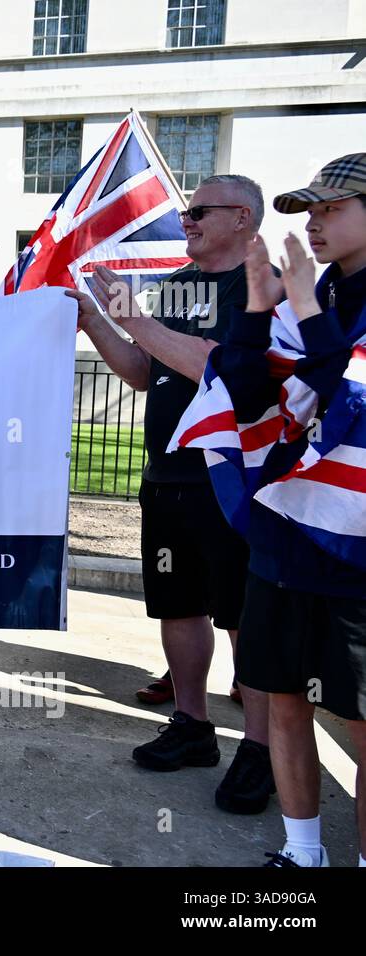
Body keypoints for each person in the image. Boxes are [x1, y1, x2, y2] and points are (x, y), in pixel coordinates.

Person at [67, 174, 273, 814]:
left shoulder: (261, 286)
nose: (185, 220)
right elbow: (142, 369)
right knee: (178, 607)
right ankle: (192, 725)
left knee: (244, 616)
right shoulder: (173, 286)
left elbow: (217, 363)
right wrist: (99, 322)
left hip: (231, 480)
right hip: (167, 478)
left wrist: (134, 316)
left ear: (240, 217)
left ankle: (261, 750)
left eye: (197, 210)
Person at [217, 155, 366, 866]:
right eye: (309, 208)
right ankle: (303, 856)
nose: (314, 221)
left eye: (332, 208)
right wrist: (257, 305)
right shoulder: (304, 295)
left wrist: (304, 304)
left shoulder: (318, 297)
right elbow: (245, 393)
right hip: (283, 534)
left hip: (353, 550)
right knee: (281, 698)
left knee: (362, 723)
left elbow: (350, 401)